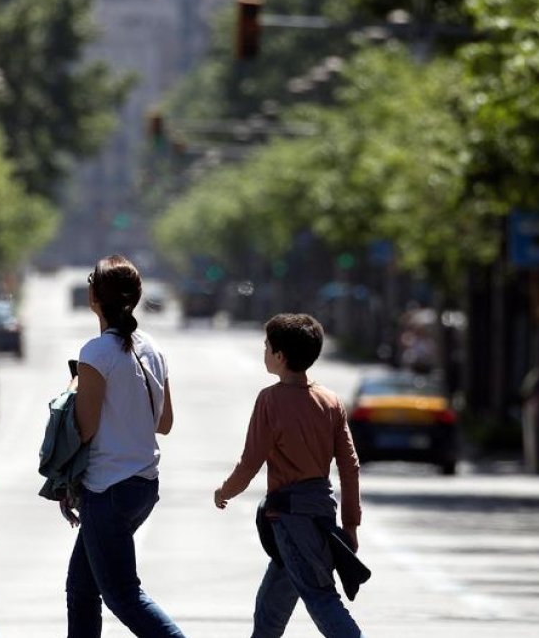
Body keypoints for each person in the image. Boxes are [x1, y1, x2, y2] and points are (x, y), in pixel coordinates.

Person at [214, 313, 364, 638]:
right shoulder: (330, 401)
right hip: (320, 514)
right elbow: (349, 466)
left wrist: (224, 491)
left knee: (321, 598)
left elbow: (250, 462)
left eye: (267, 346)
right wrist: (350, 525)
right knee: (269, 609)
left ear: (280, 356)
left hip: (292, 519)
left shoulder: (271, 400)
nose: (264, 351)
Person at [64, 254, 186, 638]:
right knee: (82, 589)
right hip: (142, 485)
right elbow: (164, 423)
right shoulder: (151, 347)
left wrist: (72, 391)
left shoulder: (96, 353)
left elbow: (84, 430)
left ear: (96, 297)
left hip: (108, 489)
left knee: (122, 596)